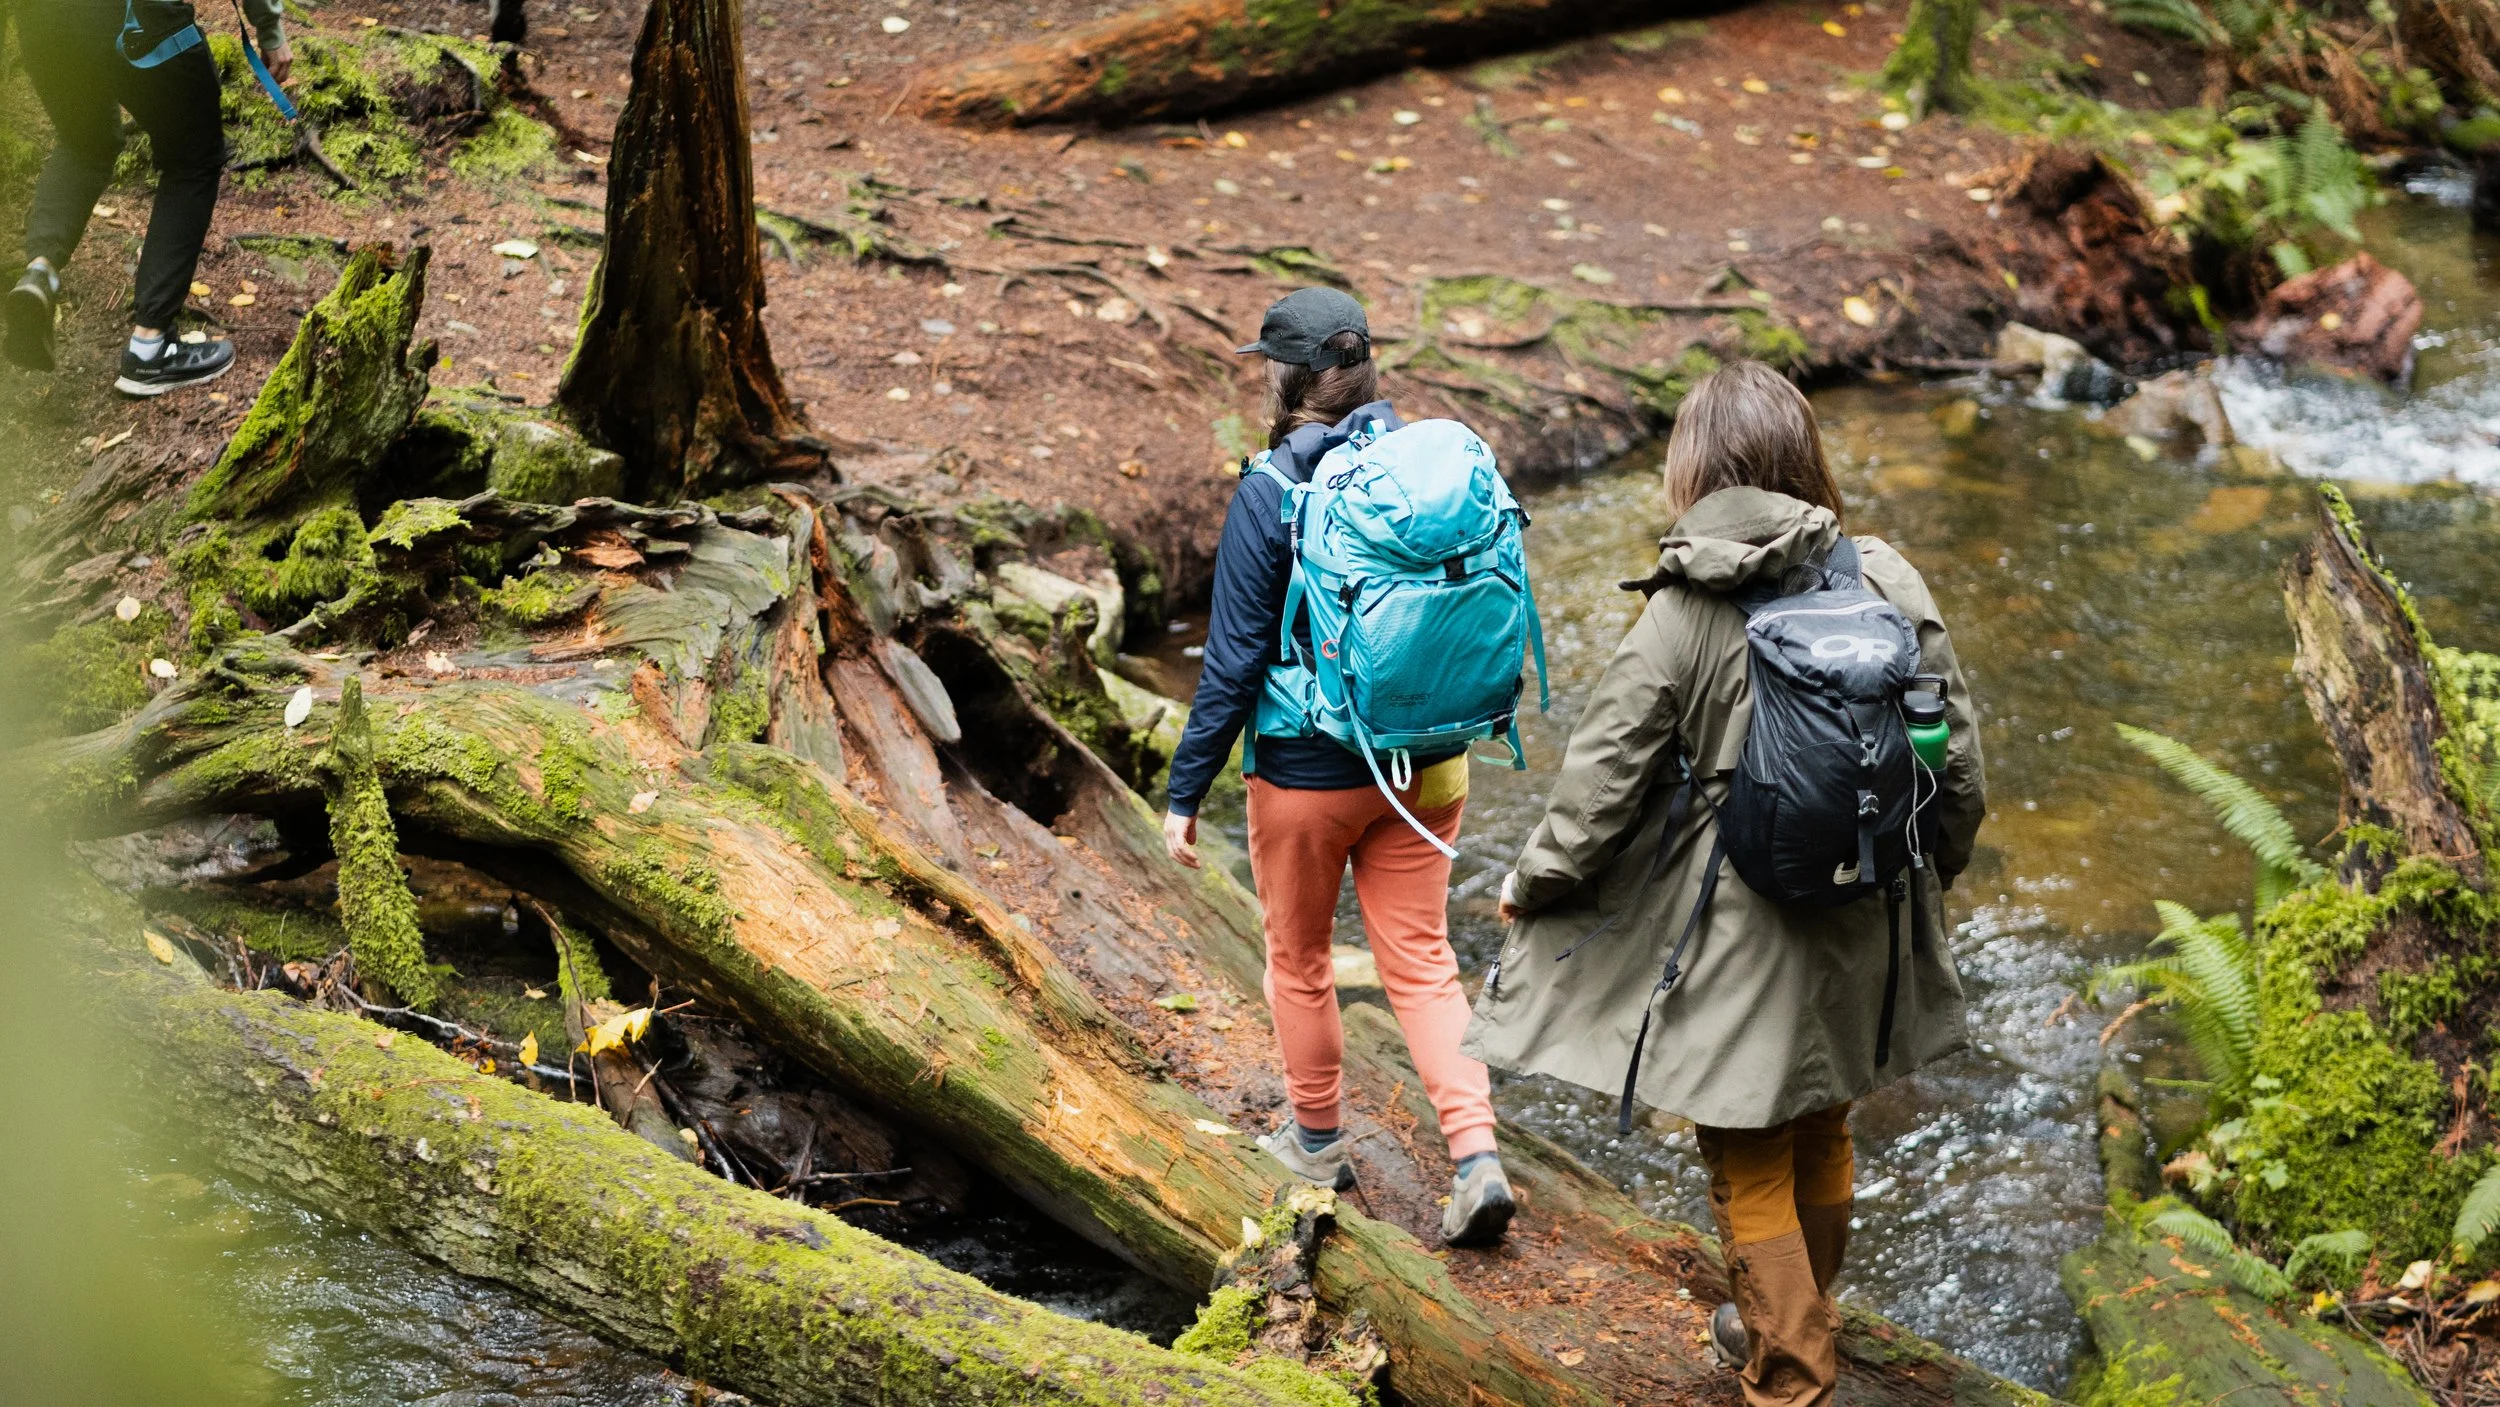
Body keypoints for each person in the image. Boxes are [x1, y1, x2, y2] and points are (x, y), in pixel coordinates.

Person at [1464, 362, 1986, 1406]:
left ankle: (1790, 1375)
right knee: (1824, 1116)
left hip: (1740, 921)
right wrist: (1936, 871)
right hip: (1869, 889)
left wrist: (1535, 881)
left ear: (1694, 468)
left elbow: (1600, 786)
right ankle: (1794, 1319)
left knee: (1746, 1150)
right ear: (1804, 460)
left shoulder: (1681, 611)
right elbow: (1957, 756)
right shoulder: (1881, 572)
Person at [1160, 286, 1516, 1248]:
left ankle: (1316, 1142)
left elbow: (1233, 663)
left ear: (1283, 378)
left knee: (1302, 962)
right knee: (1425, 961)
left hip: (1311, 777)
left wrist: (1184, 793)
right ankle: (1478, 1158)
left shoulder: (1273, 490)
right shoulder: (1430, 469)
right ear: (1365, 371)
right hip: (1433, 762)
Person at [3, 0, 291, 393]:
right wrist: (269, 30)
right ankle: (149, 349)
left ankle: (41, 271)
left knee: (84, 145)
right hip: (135, 19)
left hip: (41, 24)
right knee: (193, 158)